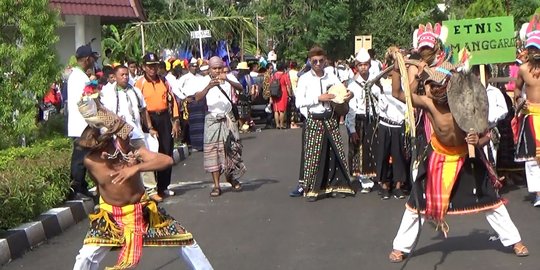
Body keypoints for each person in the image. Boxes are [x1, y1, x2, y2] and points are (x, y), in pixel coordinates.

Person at [388, 23, 528, 263]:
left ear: (451, 87)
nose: (436, 90)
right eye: (432, 86)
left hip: (466, 156)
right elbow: (401, 95)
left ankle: (515, 241)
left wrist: (478, 139)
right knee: (416, 203)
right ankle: (401, 247)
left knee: (491, 200)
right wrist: (397, 68)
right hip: (438, 157)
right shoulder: (429, 103)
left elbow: (486, 135)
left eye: (442, 86)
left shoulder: (465, 102)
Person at [72, 97, 213, 270]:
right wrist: (98, 114)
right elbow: (86, 142)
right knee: (85, 257)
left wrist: (136, 168)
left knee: (186, 241)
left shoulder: (135, 152)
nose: (128, 137)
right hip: (111, 219)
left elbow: (166, 161)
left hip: (144, 212)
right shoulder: (91, 160)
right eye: (123, 135)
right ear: (108, 141)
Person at [291, 45, 355, 201]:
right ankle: (313, 188)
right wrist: (319, 98)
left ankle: (336, 185)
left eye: (321, 61)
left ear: (325, 61)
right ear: (310, 61)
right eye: (315, 61)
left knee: (335, 152)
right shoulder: (305, 79)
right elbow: (299, 102)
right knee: (314, 155)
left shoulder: (331, 77)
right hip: (314, 119)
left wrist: (348, 95)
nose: (318, 64)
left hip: (330, 119)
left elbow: (341, 91)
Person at [100, 65, 162, 202]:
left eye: (127, 74)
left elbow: (143, 110)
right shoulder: (108, 93)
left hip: (136, 132)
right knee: (121, 163)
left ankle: (151, 190)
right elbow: (103, 113)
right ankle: (124, 192)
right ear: (115, 77)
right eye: (122, 75)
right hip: (119, 133)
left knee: (146, 160)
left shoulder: (135, 91)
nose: (125, 77)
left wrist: (150, 127)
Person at [193, 56, 246, 197]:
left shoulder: (228, 77)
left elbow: (241, 88)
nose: (217, 71)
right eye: (214, 68)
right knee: (213, 152)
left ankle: (231, 177)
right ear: (209, 68)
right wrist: (209, 86)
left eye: (219, 68)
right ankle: (216, 185)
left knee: (232, 149)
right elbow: (197, 98)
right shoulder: (204, 80)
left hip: (228, 117)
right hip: (212, 119)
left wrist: (227, 79)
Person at [135, 53, 180, 199]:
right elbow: (138, 106)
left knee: (166, 151)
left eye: (155, 65)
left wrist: (175, 121)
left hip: (164, 118)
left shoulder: (164, 81)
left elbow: (171, 101)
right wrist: (146, 126)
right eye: (149, 66)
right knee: (151, 153)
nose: (152, 69)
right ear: (143, 67)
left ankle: (164, 186)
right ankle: (151, 189)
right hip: (148, 119)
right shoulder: (139, 83)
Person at [67, 44, 99, 200]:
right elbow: (86, 100)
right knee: (80, 159)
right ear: (87, 59)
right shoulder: (79, 77)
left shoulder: (79, 75)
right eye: (92, 58)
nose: (94, 61)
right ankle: (76, 188)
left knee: (84, 158)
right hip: (82, 124)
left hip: (83, 123)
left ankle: (82, 186)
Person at [345, 48, 379, 194]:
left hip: (373, 118)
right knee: (359, 148)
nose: (363, 67)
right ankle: (362, 177)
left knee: (372, 147)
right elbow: (350, 109)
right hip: (359, 119)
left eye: (366, 64)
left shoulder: (376, 81)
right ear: (356, 67)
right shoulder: (352, 85)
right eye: (360, 65)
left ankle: (373, 174)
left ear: (370, 65)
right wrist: (351, 128)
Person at [515, 15, 540, 206]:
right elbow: (517, 90)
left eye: (537, 48)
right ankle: (538, 193)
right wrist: (519, 101)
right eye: (532, 48)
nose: (534, 51)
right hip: (531, 115)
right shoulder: (523, 69)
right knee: (532, 157)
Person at [270, 62, 291, 129]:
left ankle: (277, 124)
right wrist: (290, 94)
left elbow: (270, 85)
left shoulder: (273, 75)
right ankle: (281, 124)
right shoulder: (284, 75)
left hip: (274, 92)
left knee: (276, 110)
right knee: (282, 110)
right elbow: (288, 86)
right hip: (283, 92)